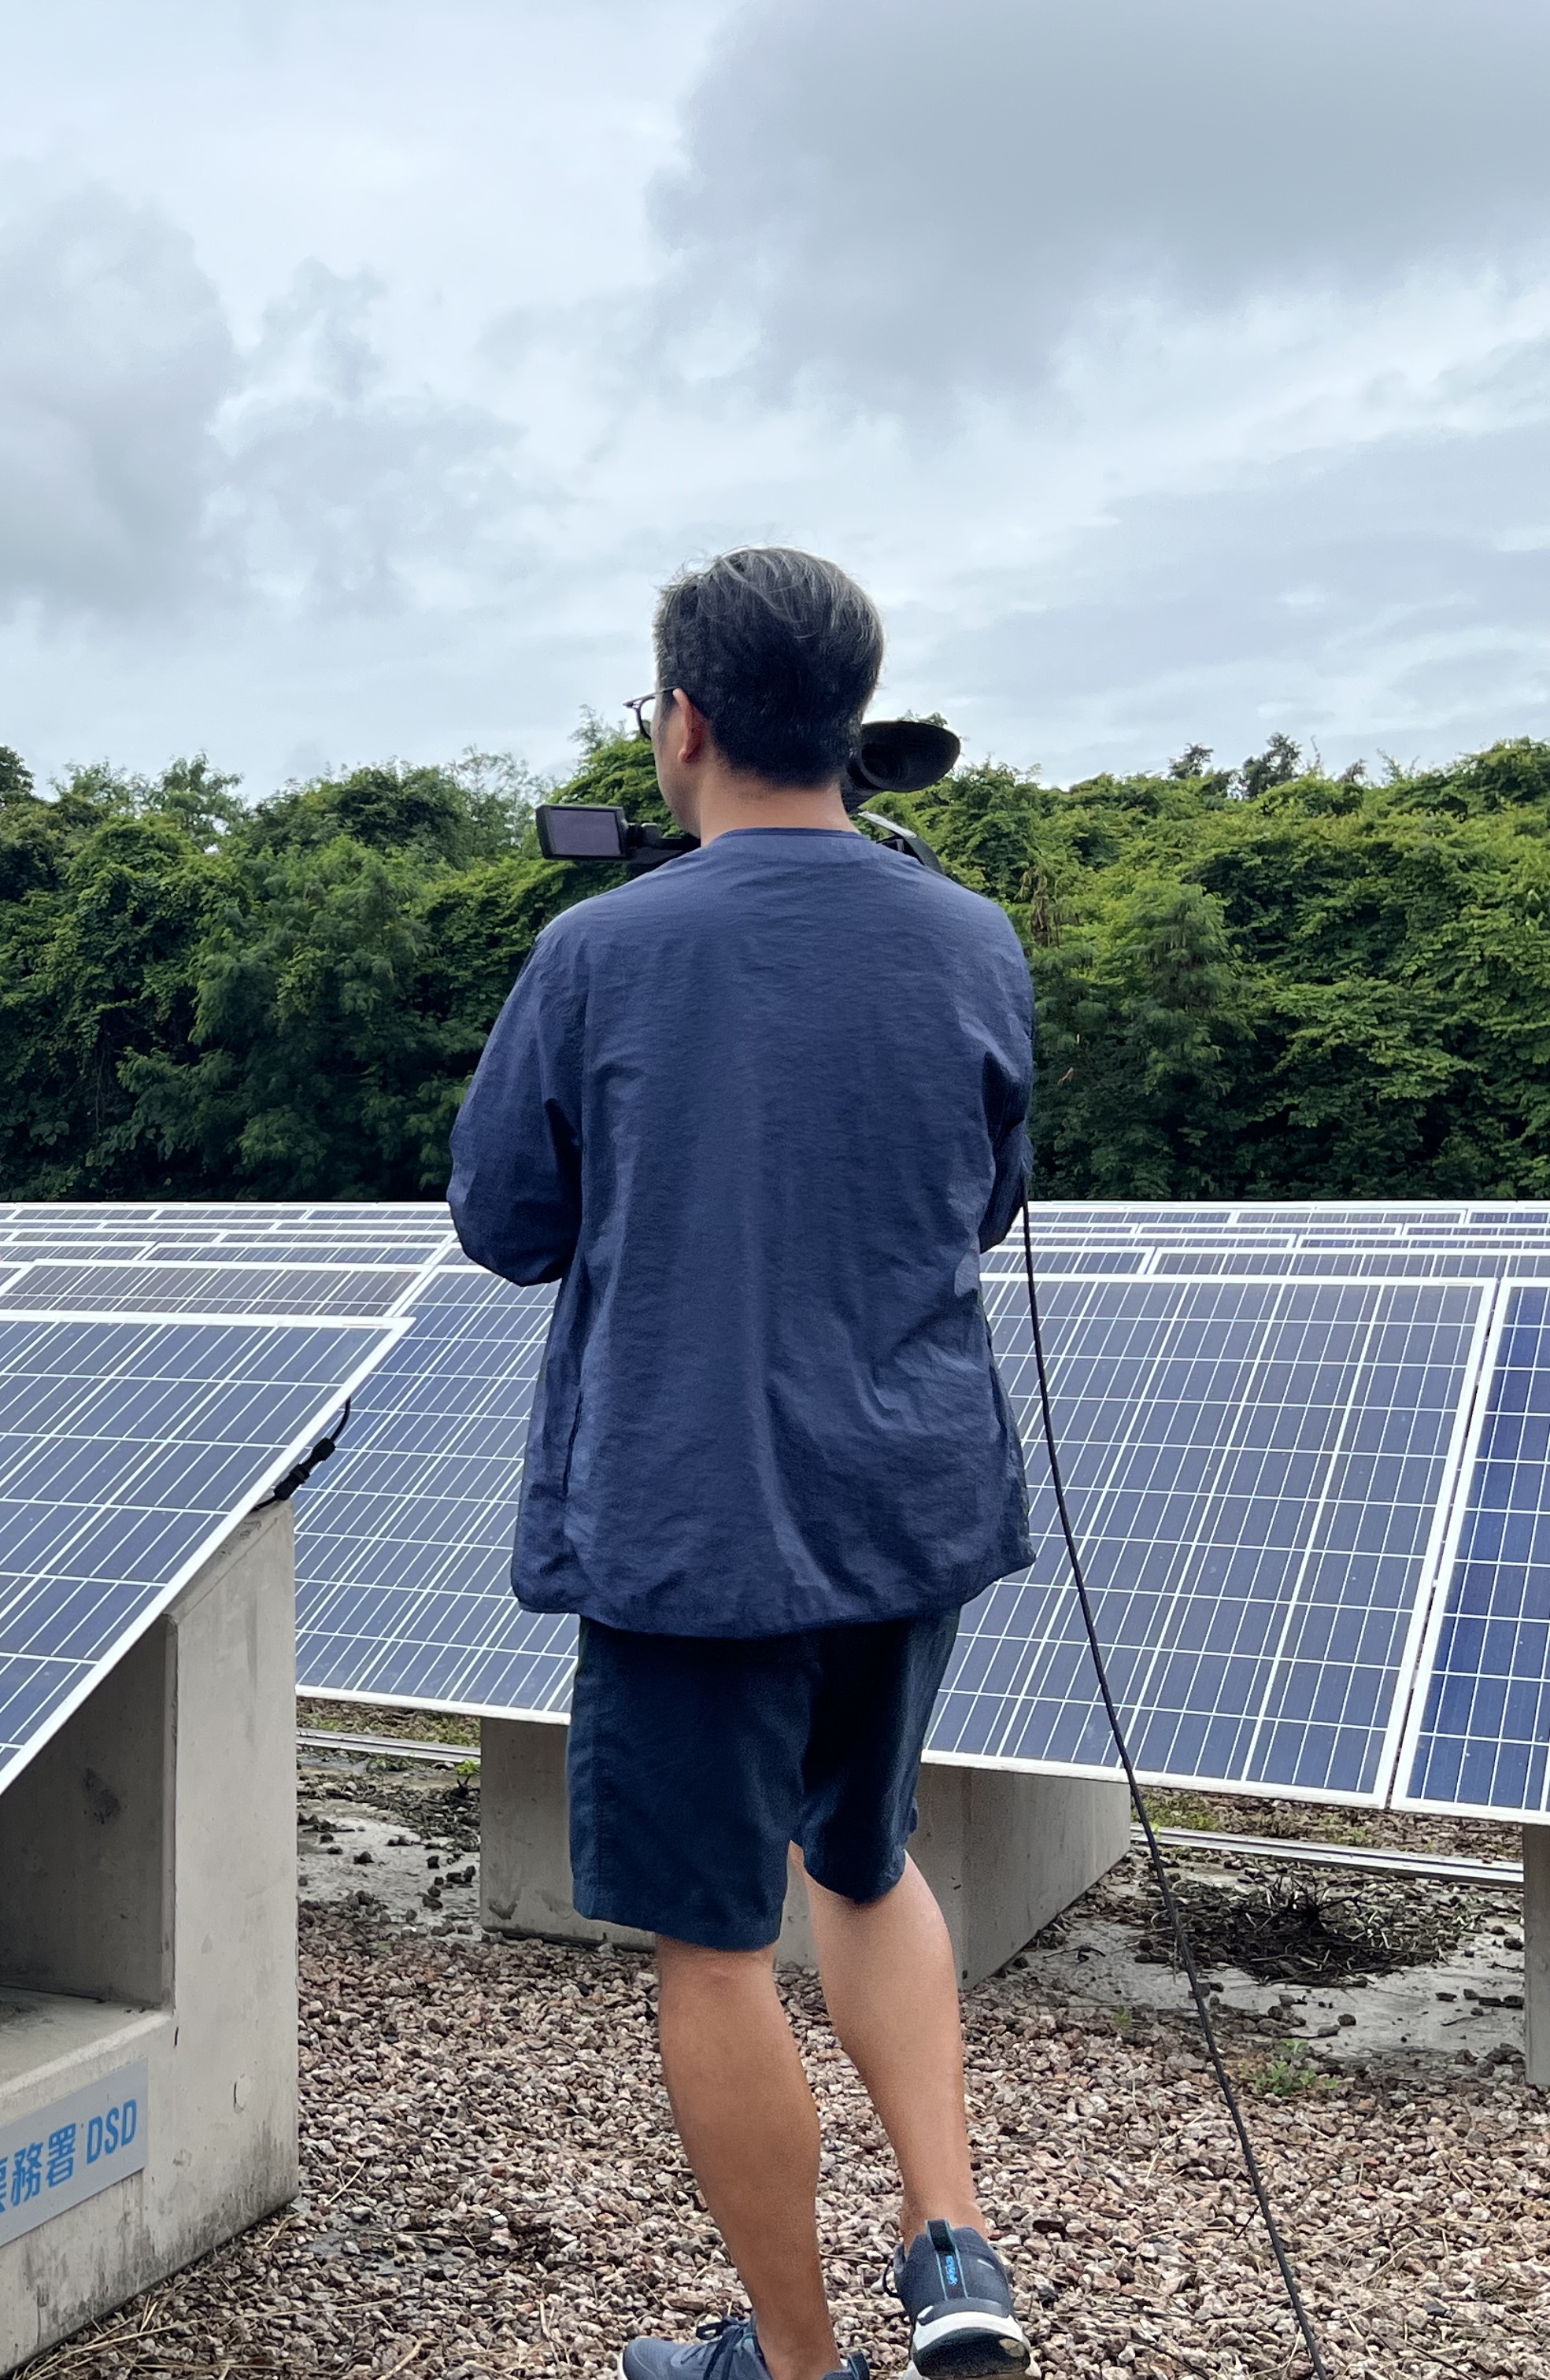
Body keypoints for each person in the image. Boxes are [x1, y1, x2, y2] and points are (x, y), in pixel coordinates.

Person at [447, 549, 1038, 2380]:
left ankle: (794, 2365)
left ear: (683, 721)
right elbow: (986, 1198)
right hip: (907, 1507)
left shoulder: (598, 950)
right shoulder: (976, 938)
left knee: (713, 1944)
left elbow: (505, 1218)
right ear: (853, 730)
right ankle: (952, 2249)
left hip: (694, 1529)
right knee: (865, 1864)